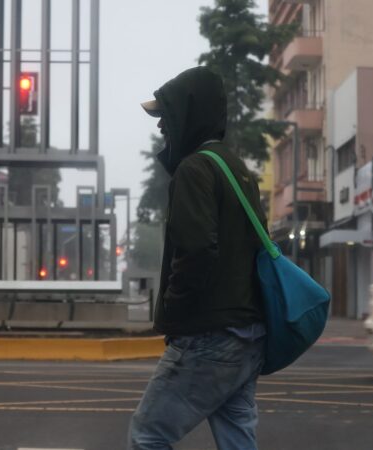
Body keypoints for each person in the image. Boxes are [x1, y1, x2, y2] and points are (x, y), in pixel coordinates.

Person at [128, 66, 269, 449]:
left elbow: (196, 253)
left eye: (165, 117)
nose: (161, 129)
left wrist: (174, 313)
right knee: (236, 438)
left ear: (188, 115)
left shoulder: (195, 169)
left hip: (209, 334)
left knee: (148, 435)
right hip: (248, 333)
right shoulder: (237, 170)